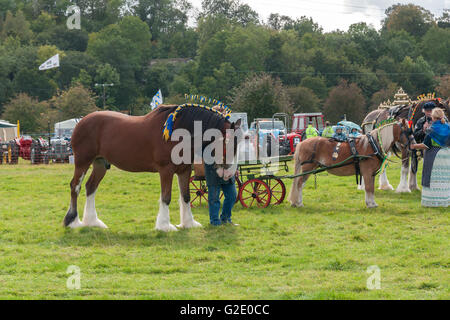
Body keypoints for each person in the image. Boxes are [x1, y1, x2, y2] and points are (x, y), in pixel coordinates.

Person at [410, 108, 449, 207]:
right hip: (446, 156)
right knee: (444, 179)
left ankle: (432, 201)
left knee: (432, 178)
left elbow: (426, 145)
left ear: (433, 117)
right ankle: (444, 200)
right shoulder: (448, 127)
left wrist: (414, 146)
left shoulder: (432, 129)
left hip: (433, 156)